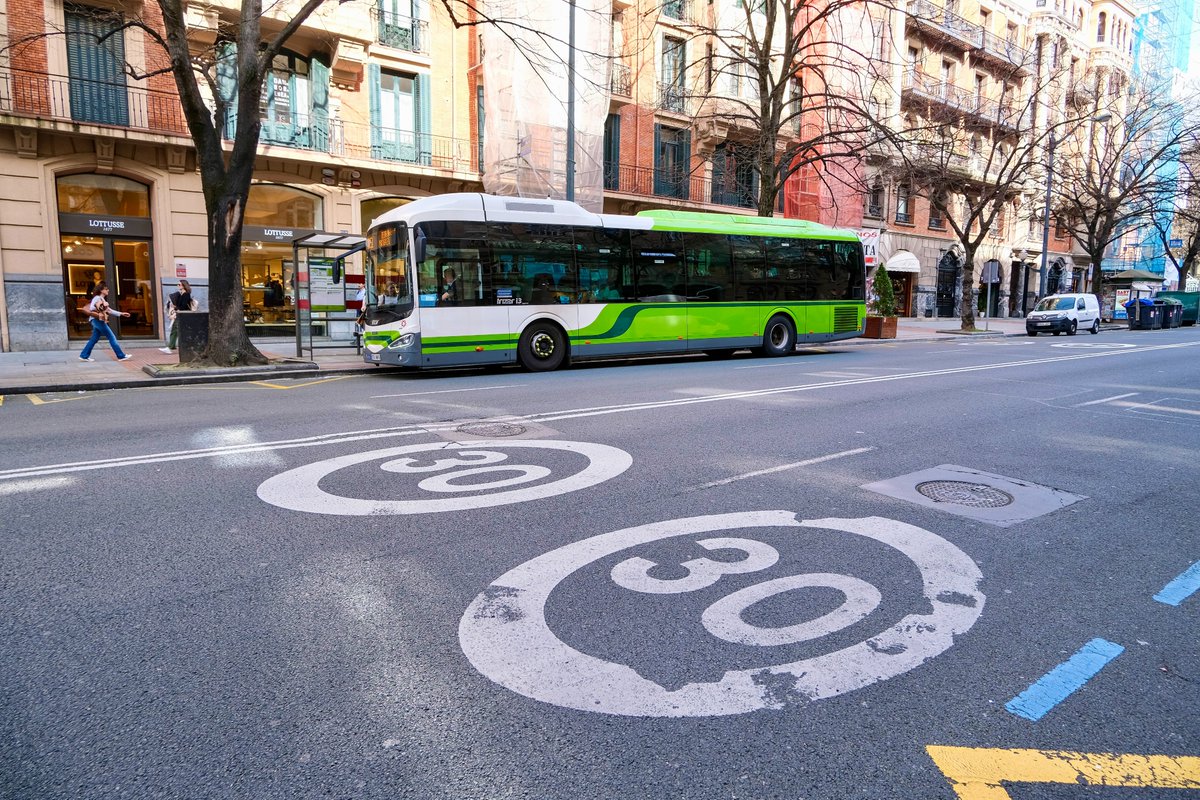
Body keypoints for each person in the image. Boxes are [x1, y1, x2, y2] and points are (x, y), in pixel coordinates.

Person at [79, 282, 133, 362]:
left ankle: (84, 355)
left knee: (94, 339)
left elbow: (109, 310)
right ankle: (121, 356)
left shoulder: (101, 299)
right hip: (98, 320)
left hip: (96, 320)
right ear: (101, 290)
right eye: (106, 289)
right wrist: (101, 308)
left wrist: (121, 314)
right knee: (112, 337)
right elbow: (91, 308)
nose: (108, 290)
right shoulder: (97, 298)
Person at [159, 279, 197, 353]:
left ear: (183, 285)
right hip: (180, 314)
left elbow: (183, 306)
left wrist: (175, 307)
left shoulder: (186, 294)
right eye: (178, 284)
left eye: (179, 284)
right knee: (176, 330)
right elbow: (179, 305)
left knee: (177, 331)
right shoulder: (181, 294)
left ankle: (171, 347)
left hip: (183, 315)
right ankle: (172, 346)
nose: (178, 286)